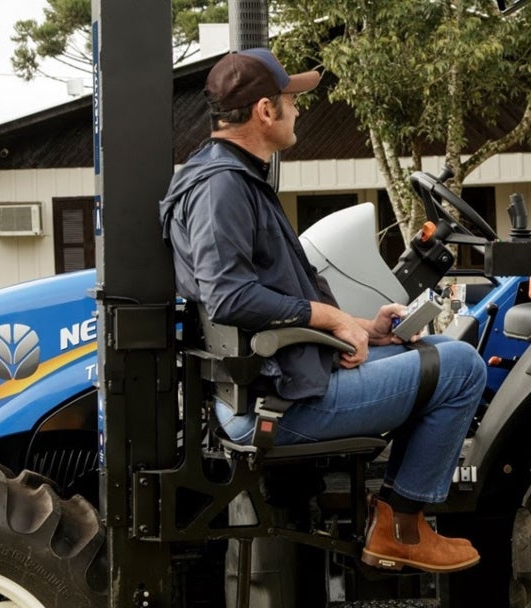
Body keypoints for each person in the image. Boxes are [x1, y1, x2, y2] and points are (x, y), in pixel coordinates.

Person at [158, 48, 486, 574]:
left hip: (280, 381)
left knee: (441, 347)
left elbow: (271, 294)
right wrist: (332, 320)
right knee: (465, 369)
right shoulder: (223, 189)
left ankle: (402, 518)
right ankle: (401, 527)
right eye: (292, 100)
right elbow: (229, 297)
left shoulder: (228, 177)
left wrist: (364, 328)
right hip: (276, 406)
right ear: (265, 111)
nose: (299, 111)